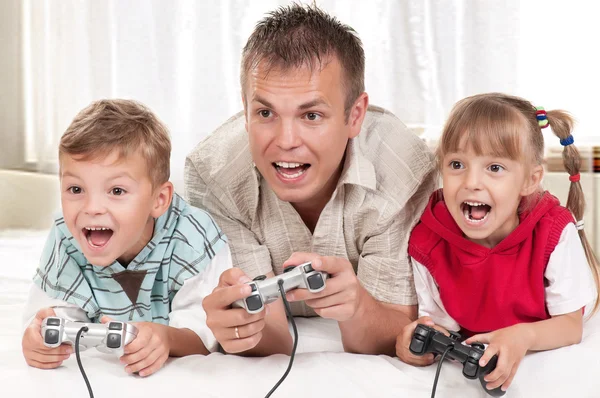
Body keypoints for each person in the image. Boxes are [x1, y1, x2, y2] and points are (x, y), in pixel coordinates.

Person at [185, 4, 436, 356]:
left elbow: (397, 329)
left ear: (355, 115)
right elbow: (272, 341)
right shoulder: (213, 175)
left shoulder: (403, 170)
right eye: (265, 113)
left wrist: (359, 308)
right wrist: (242, 331)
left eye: (312, 115)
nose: (286, 140)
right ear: (245, 111)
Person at [395, 93, 600, 392]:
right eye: (456, 164)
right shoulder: (428, 241)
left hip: (544, 334)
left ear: (530, 180)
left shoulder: (553, 231)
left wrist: (521, 337)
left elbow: (570, 327)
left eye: (494, 168)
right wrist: (412, 344)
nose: (471, 182)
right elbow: (439, 326)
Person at [21, 99, 231, 377]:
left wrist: (166, 338)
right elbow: (52, 315)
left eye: (117, 191)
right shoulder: (66, 237)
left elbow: (209, 333)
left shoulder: (192, 236)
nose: (92, 207)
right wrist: (39, 339)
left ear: (159, 199)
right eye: (75, 189)